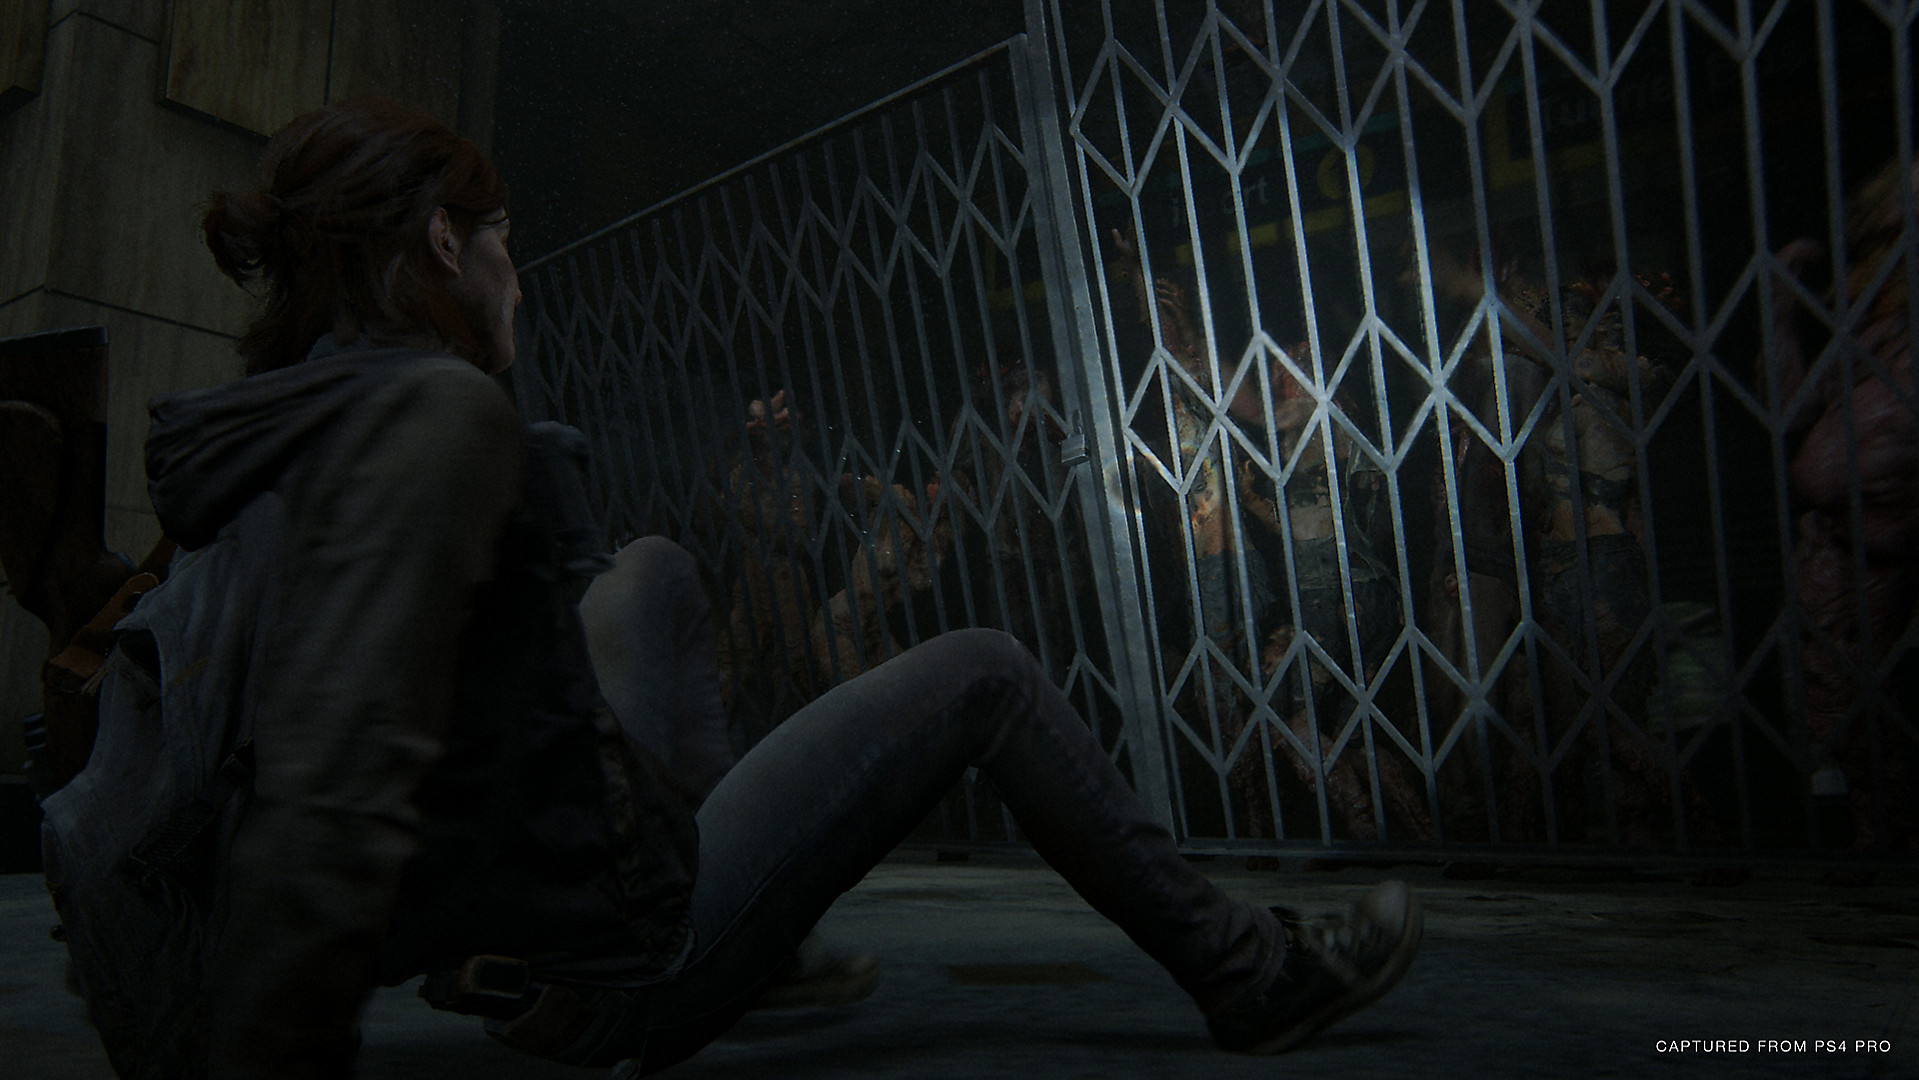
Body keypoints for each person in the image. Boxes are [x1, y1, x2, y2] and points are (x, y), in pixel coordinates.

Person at [148, 96, 1421, 1077]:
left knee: (651, 571)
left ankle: (757, 949)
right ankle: (1246, 972)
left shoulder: (278, 427)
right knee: (983, 673)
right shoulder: (430, 419)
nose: (515, 276)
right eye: (503, 245)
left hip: (535, 903)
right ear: (443, 242)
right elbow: (329, 793)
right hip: (611, 970)